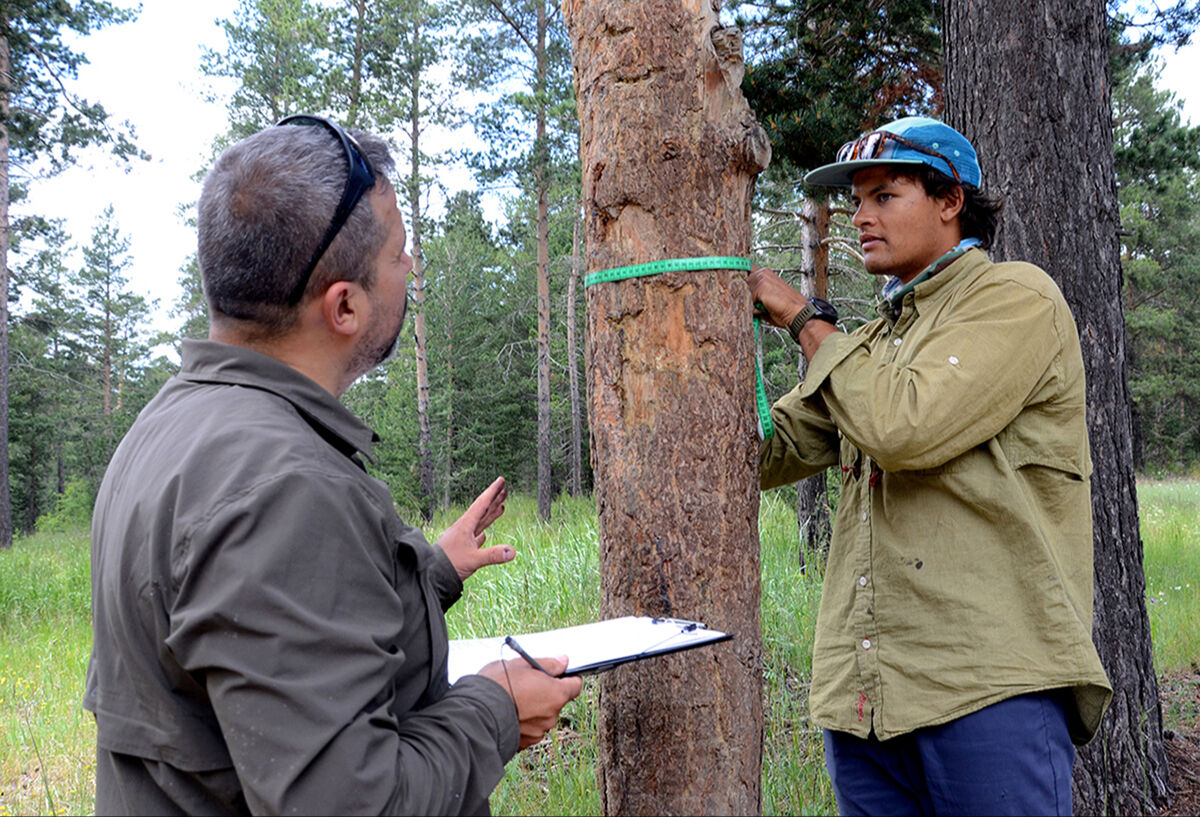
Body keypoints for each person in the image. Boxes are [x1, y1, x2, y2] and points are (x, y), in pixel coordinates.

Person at [84, 115, 582, 816]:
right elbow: (352, 803)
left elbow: (240, 652)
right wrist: (494, 708)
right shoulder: (287, 489)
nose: (410, 267)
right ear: (344, 304)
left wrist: (424, 576)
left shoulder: (170, 424)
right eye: (398, 253)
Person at [748, 116, 1112, 816]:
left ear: (951, 201)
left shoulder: (1016, 299)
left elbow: (901, 426)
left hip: (986, 690)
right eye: (856, 201)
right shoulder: (872, 339)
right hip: (867, 703)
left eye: (885, 195)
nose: (860, 217)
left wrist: (802, 317)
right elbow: (767, 453)